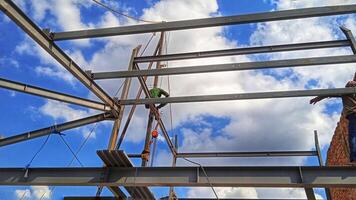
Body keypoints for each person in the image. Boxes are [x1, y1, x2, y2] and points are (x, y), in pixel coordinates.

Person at [310, 72, 356, 163]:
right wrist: (318, 98)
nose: (352, 83)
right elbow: (330, 93)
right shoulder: (345, 92)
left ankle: (354, 160)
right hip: (353, 116)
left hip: (353, 116)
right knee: (353, 137)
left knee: (353, 137)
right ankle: (354, 160)